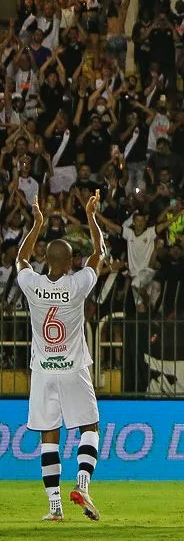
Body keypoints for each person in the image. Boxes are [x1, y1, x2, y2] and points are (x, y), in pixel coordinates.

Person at [18, 192, 105, 522]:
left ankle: (54, 507)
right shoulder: (78, 283)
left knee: (48, 436)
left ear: (46, 261)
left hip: (42, 370)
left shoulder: (32, 284)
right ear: (70, 264)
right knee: (90, 427)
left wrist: (37, 223)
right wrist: (91, 217)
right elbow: (99, 253)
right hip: (73, 369)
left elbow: (21, 261)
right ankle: (82, 482)